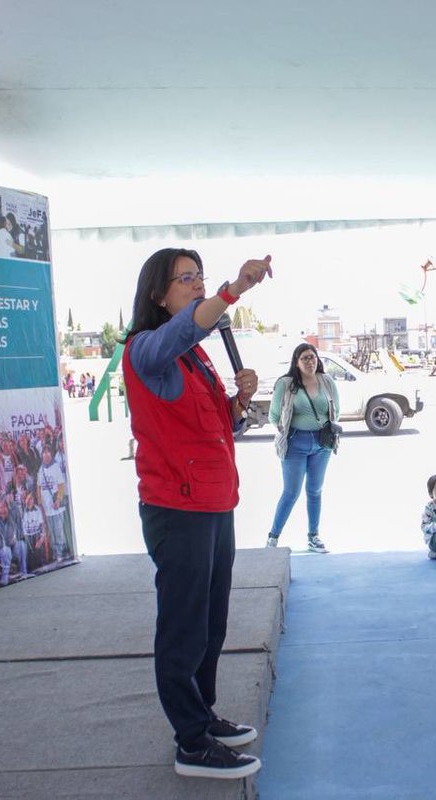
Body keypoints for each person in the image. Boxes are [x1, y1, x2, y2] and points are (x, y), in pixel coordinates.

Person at [121, 247, 270, 779]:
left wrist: (236, 404)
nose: (197, 284)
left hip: (212, 502)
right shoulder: (148, 349)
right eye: (185, 279)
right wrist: (234, 288)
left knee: (211, 622)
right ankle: (190, 743)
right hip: (175, 508)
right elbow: (182, 332)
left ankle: (203, 717)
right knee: (183, 628)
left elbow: (215, 431)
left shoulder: (195, 356)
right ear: (159, 295)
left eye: (200, 276)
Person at [267, 343, 340, 553]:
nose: (310, 361)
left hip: (323, 444)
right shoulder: (286, 384)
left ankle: (313, 537)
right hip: (295, 444)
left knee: (315, 491)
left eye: (312, 357)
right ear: (296, 362)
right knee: (291, 492)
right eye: (305, 358)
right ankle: (273, 538)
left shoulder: (327, 381)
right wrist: (287, 432)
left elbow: (336, 409)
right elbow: (274, 415)